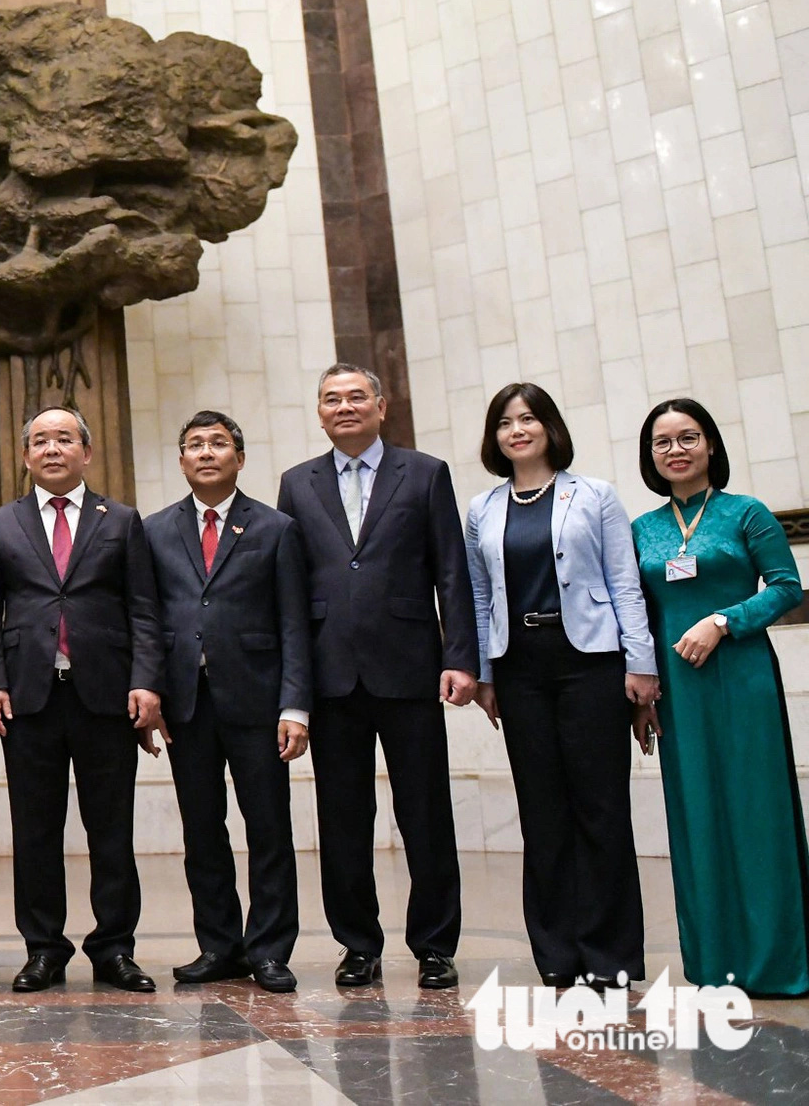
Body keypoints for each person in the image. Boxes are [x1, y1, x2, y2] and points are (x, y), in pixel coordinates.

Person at [275, 364, 478, 990]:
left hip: (410, 667)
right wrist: (295, 690)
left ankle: (435, 944)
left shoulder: (425, 473)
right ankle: (357, 944)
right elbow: (288, 591)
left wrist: (461, 657)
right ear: (318, 413)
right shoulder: (296, 484)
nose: (344, 407)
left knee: (425, 811)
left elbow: (452, 571)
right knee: (342, 817)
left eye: (356, 397)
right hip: (332, 676)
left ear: (381, 406)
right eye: (331, 399)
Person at [464, 384, 656, 990]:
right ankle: (557, 954)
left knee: (600, 809)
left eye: (528, 419)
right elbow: (478, 596)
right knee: (541, 814)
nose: (517, 430)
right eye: (504, 422)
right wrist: (486, 673)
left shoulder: (595, 494)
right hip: (519, 669)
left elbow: (624, 582)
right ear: (494, 437)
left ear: (549, 426)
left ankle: (611, 956)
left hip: (591, 664)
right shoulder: (482, 508)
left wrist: (641, 664)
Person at [0, 405, 164, 994]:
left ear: (86, 452)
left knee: (111, 828)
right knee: (34, 829)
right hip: (29, 696)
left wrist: (147, 680)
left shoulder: (122, 520)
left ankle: (114, 947)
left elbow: (144, 610)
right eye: (40, 441)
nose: (51, 449)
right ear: (26, 455)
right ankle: (43, 948)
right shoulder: (0, 524)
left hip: (105, 695)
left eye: (64, 439)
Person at [633, 397, 808, 997]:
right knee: (697, 815)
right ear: (650, 456)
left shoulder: (746, 513)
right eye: (662, 442)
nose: (675, 450)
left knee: (759, 813)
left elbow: (788, 588)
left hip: (743, 679)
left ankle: (778, 964)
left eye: (688, 437)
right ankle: (716, 965)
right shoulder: (642, 530)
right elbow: (637, 615)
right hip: (678, 691)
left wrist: (725, 621)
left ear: (710, 445)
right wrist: (641, 693)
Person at [141, 411, 311, 994]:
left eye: (218, 444)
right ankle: (218, 944)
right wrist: (152, 696)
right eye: (194, 445)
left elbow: (294, 624)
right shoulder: (156, 529)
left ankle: (268, 949)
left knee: (267, 827)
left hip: (259, 701)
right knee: (202, 829)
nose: (206, 453)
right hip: (187, 704)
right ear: (181, 460)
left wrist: (295, 706)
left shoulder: (276, 528)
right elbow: (148, 620)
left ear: (239, 458)